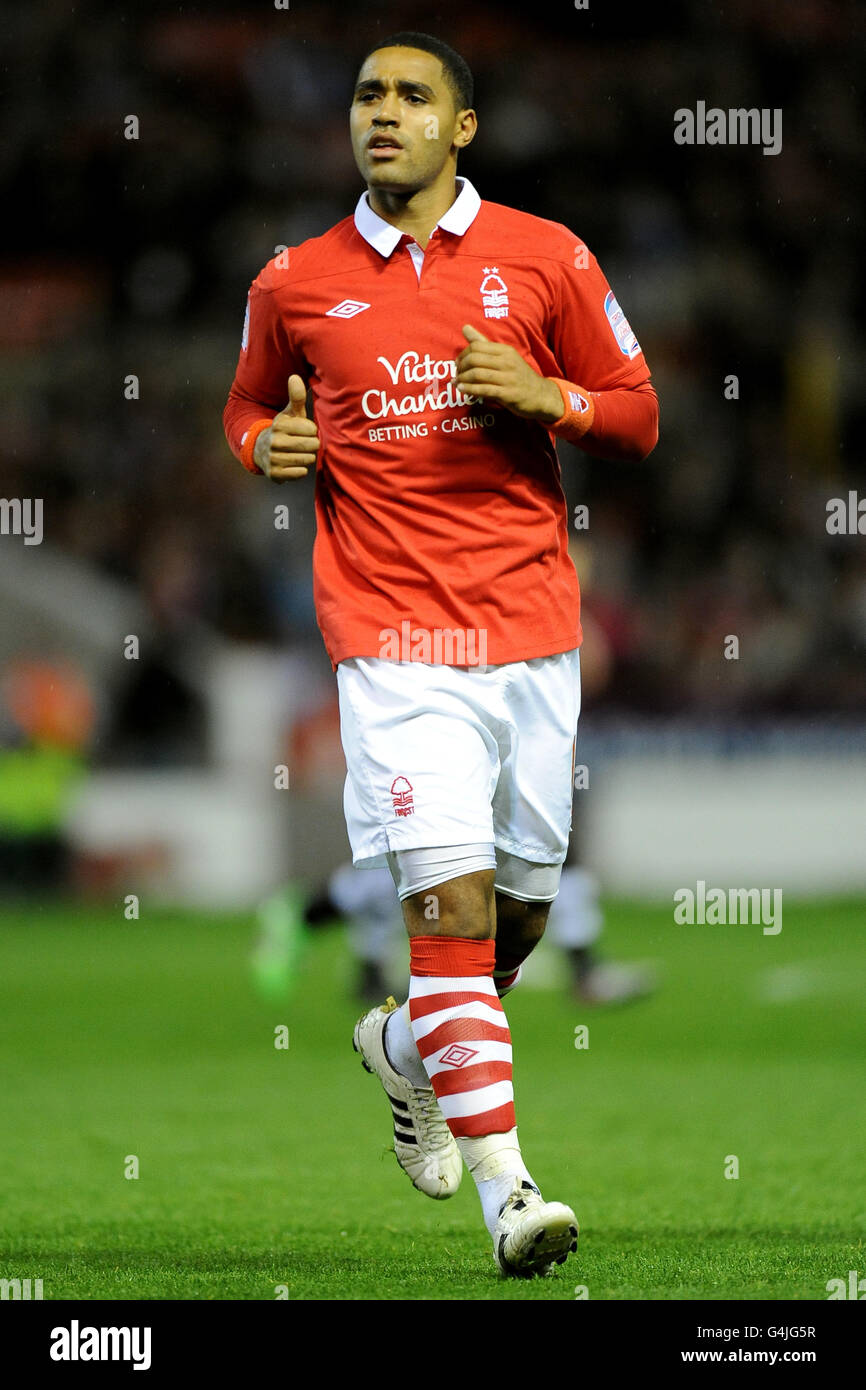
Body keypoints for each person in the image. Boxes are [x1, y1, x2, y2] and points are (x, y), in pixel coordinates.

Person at [224, 31, 658, 1277]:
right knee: (450, 915)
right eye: (368, 94)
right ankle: (511, 1197)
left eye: (415, 96)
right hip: (390, 642)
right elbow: (245, 402)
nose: (385, 113)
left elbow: (634, 411)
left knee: (515, 922)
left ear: (460, 127)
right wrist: (262, 447)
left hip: (529, 634)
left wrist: (547, 397)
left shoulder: (547, 254)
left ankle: (408, 1051)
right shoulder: (294, 280)